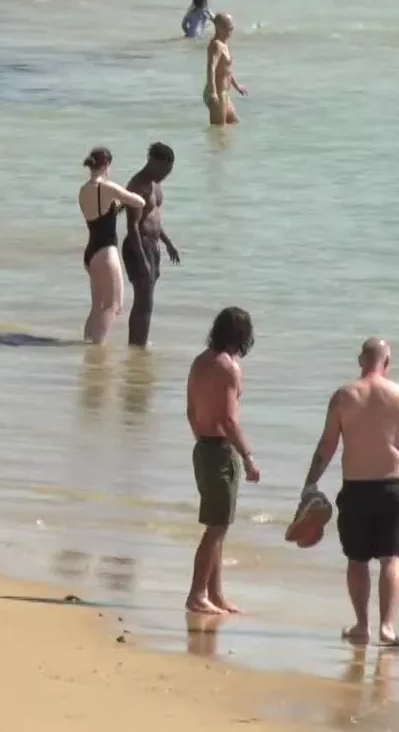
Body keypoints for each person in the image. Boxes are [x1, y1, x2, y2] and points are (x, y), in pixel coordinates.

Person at [300, 337, 399, 647]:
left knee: (357, 559)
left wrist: (311, 482)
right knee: (392, 559)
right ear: (387, 363)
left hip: (356, 488)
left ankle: (362, 626)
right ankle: (387, 628)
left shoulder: (343, 396)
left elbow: (327, 445)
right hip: (394, 487)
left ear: (361, 361)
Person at [185, 307, 257, 614]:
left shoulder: (200, 362)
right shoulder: (229, 368)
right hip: (219, 451)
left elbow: (191, 410)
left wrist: (202, 439)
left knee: (219, 525)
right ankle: (197, 594)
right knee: (216, 527)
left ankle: (215, 593)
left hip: (202, 447)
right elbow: (228, 419)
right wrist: (248, 456)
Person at [76, 147, 145, 345]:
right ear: (106, 165)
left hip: (90, 254)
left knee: (97, 306)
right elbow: (139, 202)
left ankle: (87, 345)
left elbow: (99, 218)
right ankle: (97, 349)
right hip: (107, 253)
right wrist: (128, 196)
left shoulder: (83, 190)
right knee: (114, 305)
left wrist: (117, 206)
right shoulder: (106, 187)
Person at [121, 143, 180, 348]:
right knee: (143, 302)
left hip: (152, 245)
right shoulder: (138, 185)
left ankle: (140, 343)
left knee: (148, 301)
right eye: (164, 169)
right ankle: (136, 346)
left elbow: (153, 219)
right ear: (152, 162)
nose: (165, 174)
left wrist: (168, 243)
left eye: (169, 171)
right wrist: (142, 258)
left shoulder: (155, 185)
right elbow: (132, 226)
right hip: (138, 245)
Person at [203, 14, 247, 126]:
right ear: (219, 27)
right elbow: (211, 67)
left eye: (232, 27)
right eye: (229, 27)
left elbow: (226, 70)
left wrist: (237, 87)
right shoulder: (215, 45)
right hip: (217, 91)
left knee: (233, 123)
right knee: (219, 129)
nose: (231, 30)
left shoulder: (224, 44)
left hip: (225, 92)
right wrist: (212, 92)